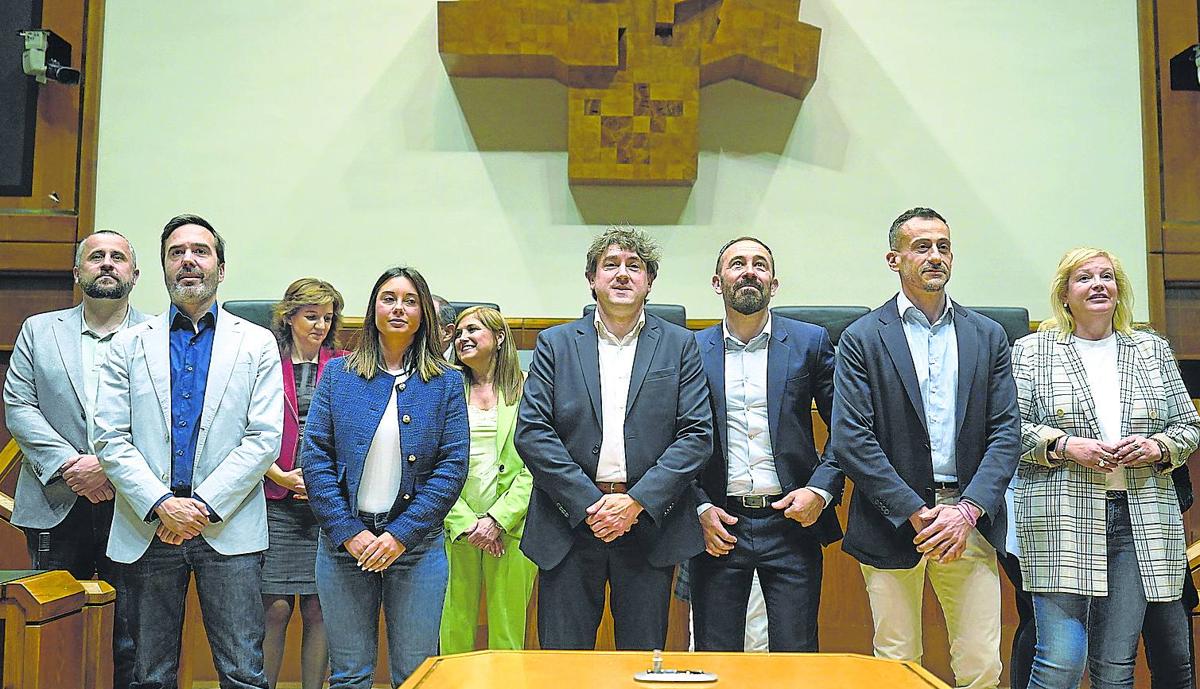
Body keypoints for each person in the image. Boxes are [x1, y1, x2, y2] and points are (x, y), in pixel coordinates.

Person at [831, 207, 1021, 689]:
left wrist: (967, 511)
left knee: (982, 662)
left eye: (943, 246)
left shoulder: (987, 335)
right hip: (891, 522)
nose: (935, 256)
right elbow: (852, 439)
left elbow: (1005, 433)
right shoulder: (863, 337)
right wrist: (917, 512)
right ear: (894, 259)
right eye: (922, 247)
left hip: (969, 521)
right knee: (897, 662)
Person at [94, 214, 284, 689]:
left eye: (200, 251)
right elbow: (110, 437)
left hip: (229, 524)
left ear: (221, 268)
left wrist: (198, 507)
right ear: (163, 268)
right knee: (147, 674)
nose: (188, 261)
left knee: (243, 671)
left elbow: (264, 438)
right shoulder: (127, 343)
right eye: (176, 253)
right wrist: (163, 505)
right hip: (149, 526)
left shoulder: (257, 343)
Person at [516, 226, 713, 651]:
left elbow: (696, 434)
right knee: (563, 669)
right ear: (592, 279)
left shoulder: (681, 346)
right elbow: (533, 432)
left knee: (642, 665)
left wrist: (636, 502)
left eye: (634, 266)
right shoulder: (555, 343)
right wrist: (591, 504)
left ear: (649, 282)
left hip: (647, 526)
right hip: (567, 525)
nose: (622, 274)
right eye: (611, 265)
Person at [1012, 247, 1200, 689]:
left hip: (1140, 516)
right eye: (1084, 277)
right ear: (1064, 293)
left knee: (1116, 664)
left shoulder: (1150, 348)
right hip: (1062, 515)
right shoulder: (1032, 350)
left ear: (1119, 290)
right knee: (1060, 662)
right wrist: (1062, 445)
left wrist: (1157, 446)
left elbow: (1188, 424)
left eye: (1107, 276)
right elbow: (1006, 429)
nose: (1098, 284)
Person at [303, 266, 468, 688]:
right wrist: (347, 531)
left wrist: (399, 536)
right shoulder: (338, 375)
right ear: (373, 308)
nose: (398, 307)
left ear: (423, 314)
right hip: (345, 547)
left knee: (415, 675)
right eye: (388, 298)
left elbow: (452, 467)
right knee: (350, 674)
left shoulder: (446, 382)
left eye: (410, 300)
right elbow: (316, 457)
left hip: (414, 549)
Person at [3, 229, 147, 688]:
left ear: (135, 273)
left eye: (117, 257)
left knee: (134, 636)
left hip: (132, 505)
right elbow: (19, 406)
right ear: (77, 271)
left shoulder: (157, 335)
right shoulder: (39, 330)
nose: (107, 263)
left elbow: (168, 416)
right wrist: (72, 465)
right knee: (57, 627)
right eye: (95, 256)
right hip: (53, 503)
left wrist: (108, 467)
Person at [690, 236, 842, 652]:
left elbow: (846, 428)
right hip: (719, 524)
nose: (749, 270)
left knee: (796, 657)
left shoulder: (809, 342)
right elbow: (674, 440)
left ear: (774, 283)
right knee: (714, 657)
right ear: (718, 282)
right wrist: (698, 505)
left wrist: (821, 490)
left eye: (760, 264)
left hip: (793, 521)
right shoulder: (690, 349)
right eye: (737, 263)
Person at [261, 278, 347, 689]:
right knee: (275, 607)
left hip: (328, 505)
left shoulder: (346, 364)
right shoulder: (264, 362)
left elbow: (355, 433)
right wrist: (276, 473)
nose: (320, 325)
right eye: (311, 316)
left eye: (327, 318)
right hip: (275, 499)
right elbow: (241, 426)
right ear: (289, 316)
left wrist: (321, 482)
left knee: (319, 608)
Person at [439, 306, 537, 653]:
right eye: (460, 332)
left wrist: (498, 519)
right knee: (453, 626)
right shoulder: (445, 389)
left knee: (508, 632)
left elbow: (536, 463)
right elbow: (433, 463)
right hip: (454, 527)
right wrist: (468, 523)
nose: (463, 337)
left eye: (474, 330)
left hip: (512, 526)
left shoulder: (528, 389)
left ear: (498, 338)